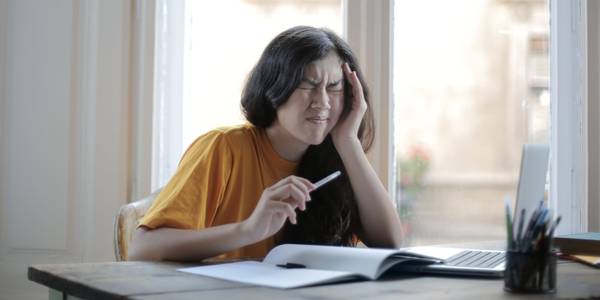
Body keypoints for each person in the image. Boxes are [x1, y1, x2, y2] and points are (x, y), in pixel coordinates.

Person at [129, 25, 403, 262]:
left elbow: (389, 242)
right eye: (308, 85)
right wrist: (248, 230)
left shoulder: (337, 157)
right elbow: (142, 249)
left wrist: (348, 141)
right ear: (275, 87)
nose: (323, 101)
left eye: (334, 87)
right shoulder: (224, 147)